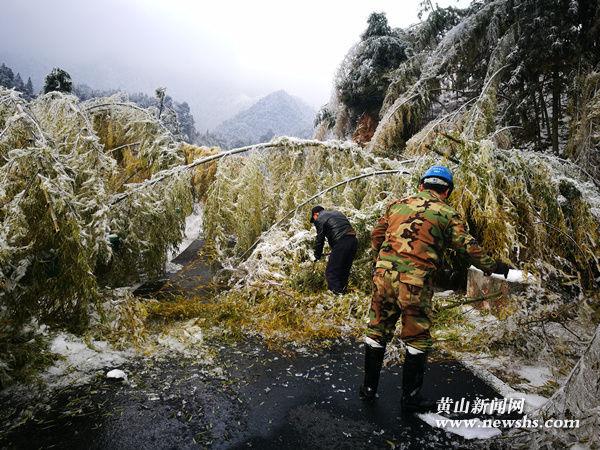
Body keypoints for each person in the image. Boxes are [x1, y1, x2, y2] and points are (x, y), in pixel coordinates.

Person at [359, 165, 512, 412]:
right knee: (417, 337)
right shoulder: (447, 213)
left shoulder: (396, 205)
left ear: (421, 185)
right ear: (447, 191)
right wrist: (493, 266)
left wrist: (385, 260)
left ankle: (368, 390)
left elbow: (376, 236)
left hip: (383, 277)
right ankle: (410, 398)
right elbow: (468, 248)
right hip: (415, 283)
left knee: (377, 330)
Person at [311, 206, 359, 294]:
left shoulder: (320, 218)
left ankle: (336, 296)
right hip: (353, 240)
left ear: (315, 214)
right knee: (343, 270)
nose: (314, 221)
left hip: (341, 242)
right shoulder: (337, 213)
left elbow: (320, 239)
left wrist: (317, 255)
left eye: (313, 219)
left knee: (331, 272)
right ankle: (343, 294)